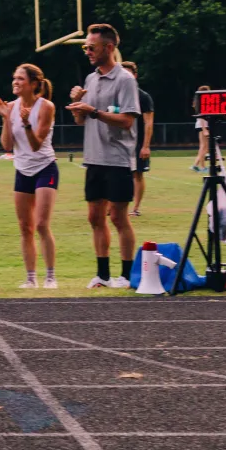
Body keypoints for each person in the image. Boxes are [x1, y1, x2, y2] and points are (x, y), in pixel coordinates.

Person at [67, 24, 139, 288]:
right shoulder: (91, 79)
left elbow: (127, 121)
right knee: (94, 217)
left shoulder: (125, 80)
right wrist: (77, 107)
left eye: (91, 47)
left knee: (119, 217)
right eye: (86, 46)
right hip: (94, 158)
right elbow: (81, 121)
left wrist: (93, 111)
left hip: (117, 159)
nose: (87, 51)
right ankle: (103, 275)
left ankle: (128, 276)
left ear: (109, 48)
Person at [0, 64, 58, 289]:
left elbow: (36, 144)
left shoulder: (46, 107)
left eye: (21, 79)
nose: (16, 82)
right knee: (25, 226)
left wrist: (26, 124)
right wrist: (6, 118)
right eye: (14, 78)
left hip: (45, 167)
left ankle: (50, 277)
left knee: (41, 224)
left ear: (33, 84)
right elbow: (6, 145)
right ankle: (30, 278)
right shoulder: (11, 107)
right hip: (22, 170)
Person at [121, 62, 154, 217]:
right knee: (117, 174)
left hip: (137, 142)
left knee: (137, 174)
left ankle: (135, 208)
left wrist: (146, 146)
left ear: (135, 75)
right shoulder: (117, 95)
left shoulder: (143, 97)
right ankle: (114, 206)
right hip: (119, 141)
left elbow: (148, 123)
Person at [191, 85, 212, 172]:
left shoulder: (200, 102)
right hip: (203, 126)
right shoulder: (202, 103)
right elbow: (202, 117)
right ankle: (202, 167)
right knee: (204, 147)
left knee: (204, 147)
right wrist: (204, 129)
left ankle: (195, 165)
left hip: (202, 126)